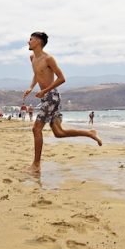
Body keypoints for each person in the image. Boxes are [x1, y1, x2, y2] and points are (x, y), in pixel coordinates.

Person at [23, 31, 101, 172]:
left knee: (36, 129)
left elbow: (61, 78)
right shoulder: (32, 58)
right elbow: (36, 74)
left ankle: (36, 165)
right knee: (59, 133)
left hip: (51, 97)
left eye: (31, 39)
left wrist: (45, 90)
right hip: (48, 96)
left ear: (38, 42)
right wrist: (31, 87)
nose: (28, 41)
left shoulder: (49, 59)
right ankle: (90, 133)